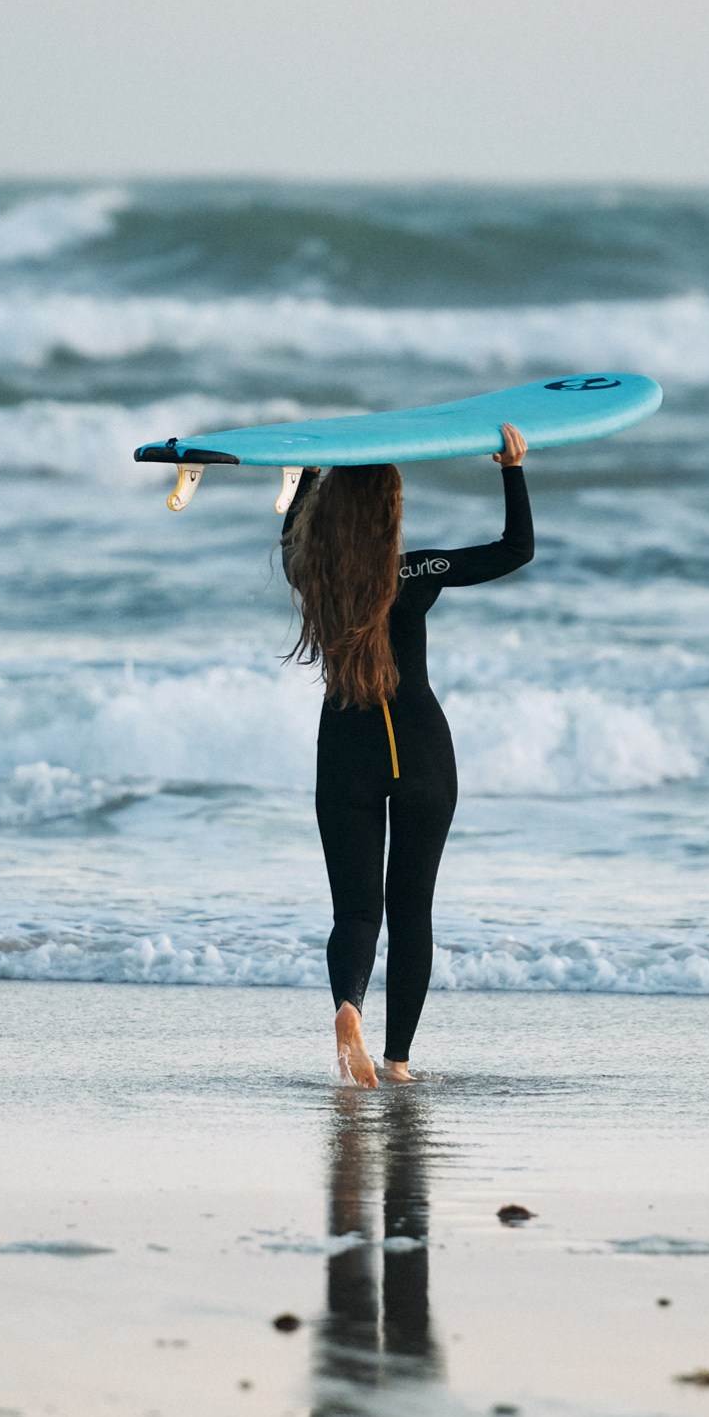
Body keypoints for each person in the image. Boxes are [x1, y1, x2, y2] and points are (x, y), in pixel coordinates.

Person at [282, 422, 531, 1087]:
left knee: (356, 911)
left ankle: (346, 1008)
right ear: (390, 514)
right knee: (411, 908)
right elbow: (515, 550)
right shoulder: (414, 571)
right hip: (420, 751)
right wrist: (510, 468)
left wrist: (306, 467)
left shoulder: (312, 575)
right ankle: (396, 1063)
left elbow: (292, 538)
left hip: (344, 750)